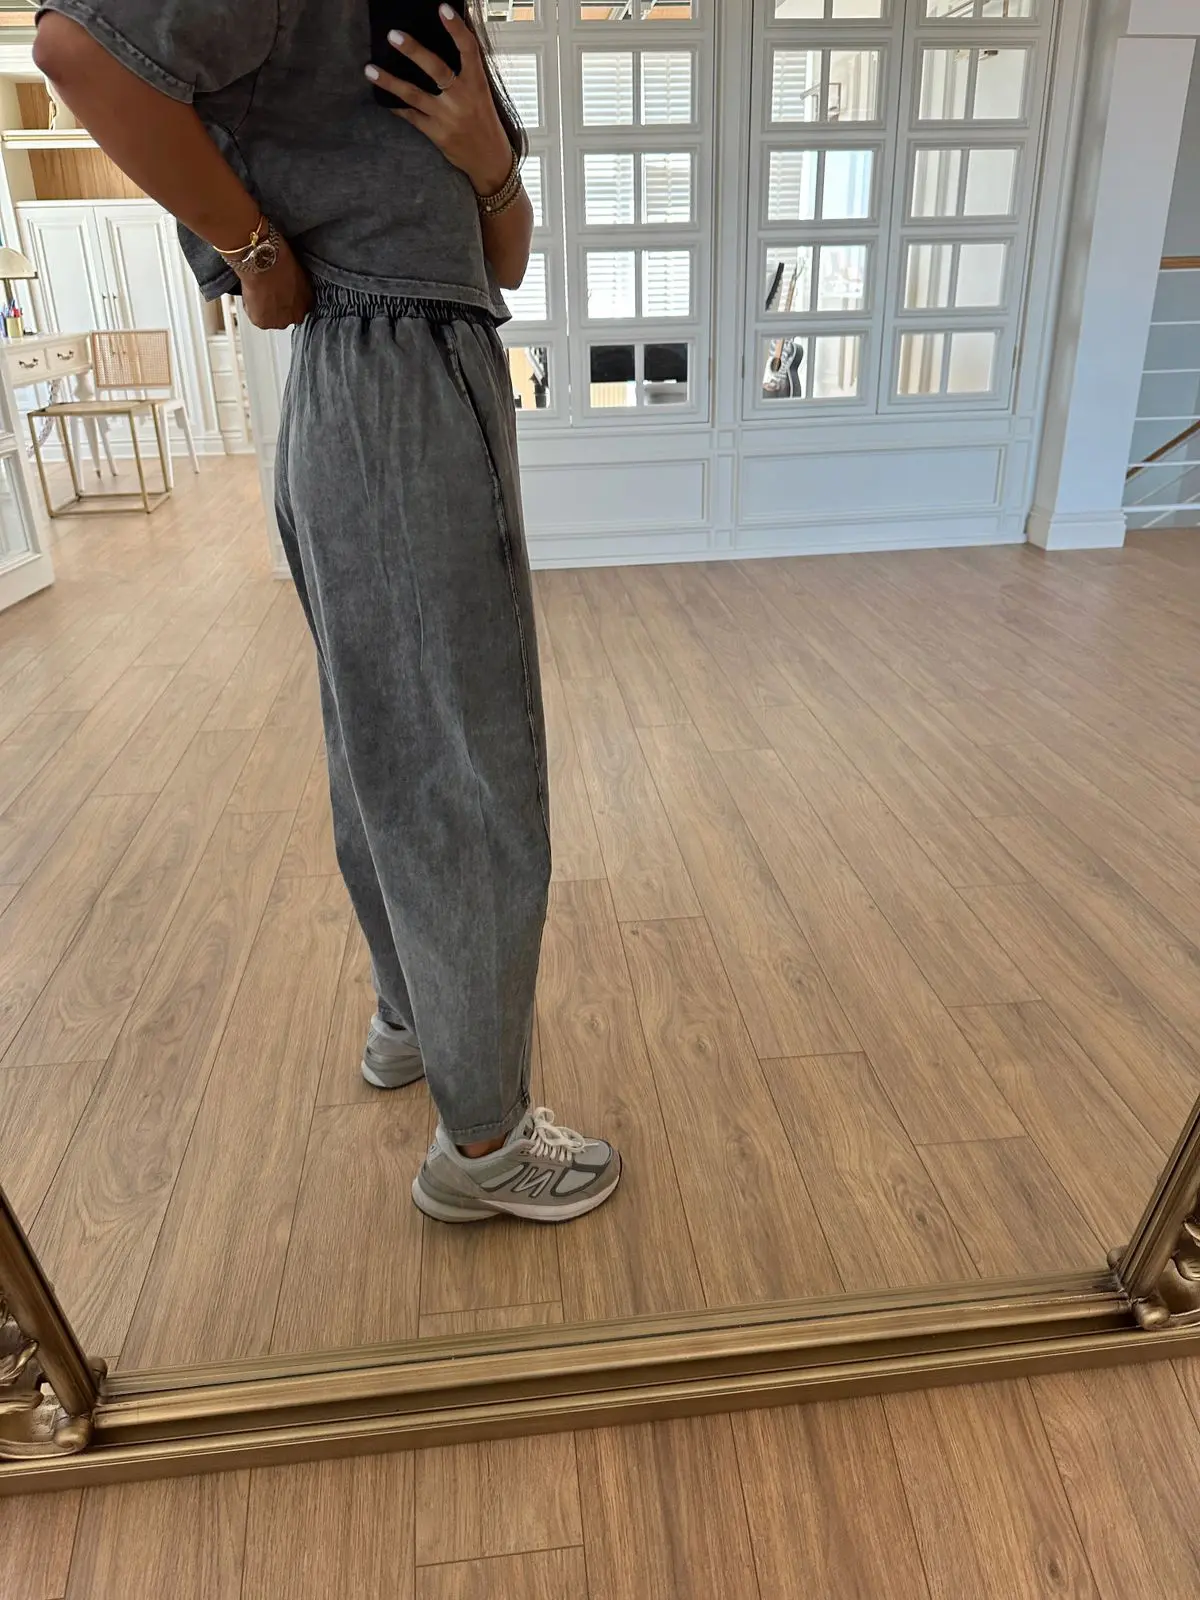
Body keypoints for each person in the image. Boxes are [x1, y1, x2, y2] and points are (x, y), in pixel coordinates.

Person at [34, 0, 622, 1225]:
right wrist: (254, 252)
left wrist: (490, 160)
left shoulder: (430, 14)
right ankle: (485, 1140)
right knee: (462, 763)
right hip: (395, 378)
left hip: (395, 372)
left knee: (389, 740)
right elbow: (78, 51)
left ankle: (416, 1016)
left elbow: (507, 256)